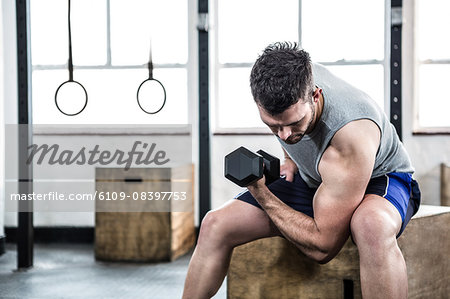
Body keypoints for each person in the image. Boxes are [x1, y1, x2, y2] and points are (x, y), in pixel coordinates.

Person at [182, 42, 421, 299]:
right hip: (318, 178)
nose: (284, 135)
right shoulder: (287, 81)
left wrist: (261, 192)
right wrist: (290, 159)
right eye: (273, 126)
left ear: (315, 96)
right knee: (214, 224)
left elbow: (323, 249)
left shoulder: (349, 137)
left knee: (370, 226)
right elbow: (286, 126)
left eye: (294, 124)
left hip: (381, 178)